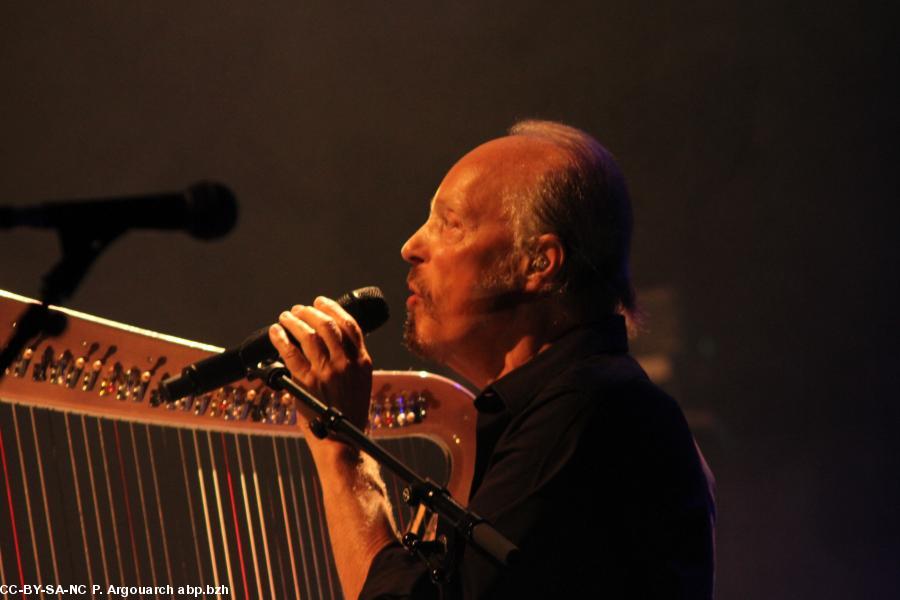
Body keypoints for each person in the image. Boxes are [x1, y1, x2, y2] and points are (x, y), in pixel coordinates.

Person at [268, 120, 716, 599]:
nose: (411, 246)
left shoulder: (590, 411)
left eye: (449, 224)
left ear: (539, 263)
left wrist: (341, 450)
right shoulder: (570, 409)